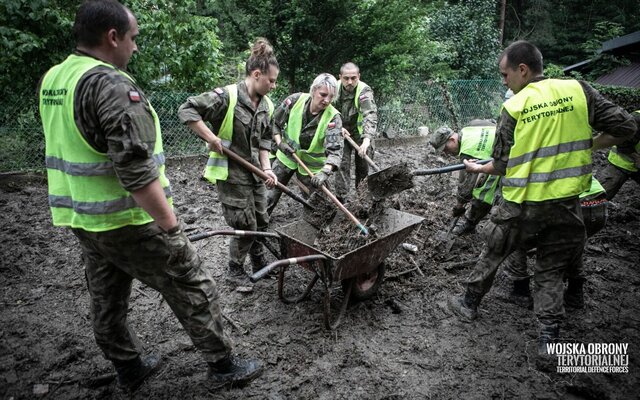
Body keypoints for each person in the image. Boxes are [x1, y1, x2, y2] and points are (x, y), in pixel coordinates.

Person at [38, 0, 263, 391]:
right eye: (133, 38)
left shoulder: (56, 79)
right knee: (192, 283)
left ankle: (129, 367)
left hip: (82, 218)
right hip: (130, 220)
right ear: (112, 37)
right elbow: (136, 170)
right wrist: (171, 226)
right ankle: (224, 366)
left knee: (106, 298)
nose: (135, 47)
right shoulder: (110, 85)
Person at [447, 40, 637, 356]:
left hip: (523, 203)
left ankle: (468, 305)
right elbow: (627, 126)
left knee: (495, 249)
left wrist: (477, 167)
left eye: (505, 75)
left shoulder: (513, 107)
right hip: (567, 203)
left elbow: (504, 164)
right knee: (550, 270)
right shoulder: (579, 90)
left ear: (522, 70)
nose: (504, 81)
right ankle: (549, 339)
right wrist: (591, 146)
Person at [178, 38, 279, 284]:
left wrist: (267, 168)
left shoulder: (267, 104)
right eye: (272, 81)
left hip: (255, 173)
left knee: (262, 220)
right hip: (231, 174)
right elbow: (187, 109)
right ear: (257, 74)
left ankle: (259, 262)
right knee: (244, 223)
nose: (274, 86)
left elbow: (265, 140)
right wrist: (211, 138)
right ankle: (235, 270)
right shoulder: (227, 97)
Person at [494, 177, 609, 309]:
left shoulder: (516, 166)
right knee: (570, 245)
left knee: (515, 239)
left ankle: (521, 291)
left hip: (571, 204)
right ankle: (575, 293)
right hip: (599, 202)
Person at [266, 73, 343, 214]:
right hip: (286, 157)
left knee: (319, 208)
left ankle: (317, 231)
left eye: (331, 97)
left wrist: (325, 172)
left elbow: (335, 152)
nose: (327, 100)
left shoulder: (333, 118)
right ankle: (258, 229)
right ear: (313, 90)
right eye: (323, 94)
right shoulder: (294, 101)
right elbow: (274, 124)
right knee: (267, 196)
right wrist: (280, 143)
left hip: (312, 168)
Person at [428, 119, 500, 235]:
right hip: (511, 148)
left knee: (482, 193)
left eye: (445, 149)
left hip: (504, 159)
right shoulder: (471, 127)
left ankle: (470, 224)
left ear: (452, 139)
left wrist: (459, 205)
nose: (446, 153)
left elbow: (467, 186)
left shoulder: (467, 151)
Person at [333, 62, 378, 201]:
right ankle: (342, 200)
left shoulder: (364, 91)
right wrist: (337, 127)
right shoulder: (332, 88)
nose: (350, 82)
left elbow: (369, 114)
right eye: (346, 78)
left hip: (361, 133)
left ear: (359, 76)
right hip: (341, 131)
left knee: (363, 167)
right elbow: (326, 112)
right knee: (342, 165)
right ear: (340, 77)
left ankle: (362, 199)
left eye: (353, 78)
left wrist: (366, 140)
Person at [597, 110, 640, 200]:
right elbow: (622, 141)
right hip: (621, 162)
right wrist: (636, 158)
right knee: (599, 197)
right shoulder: (637, 118)